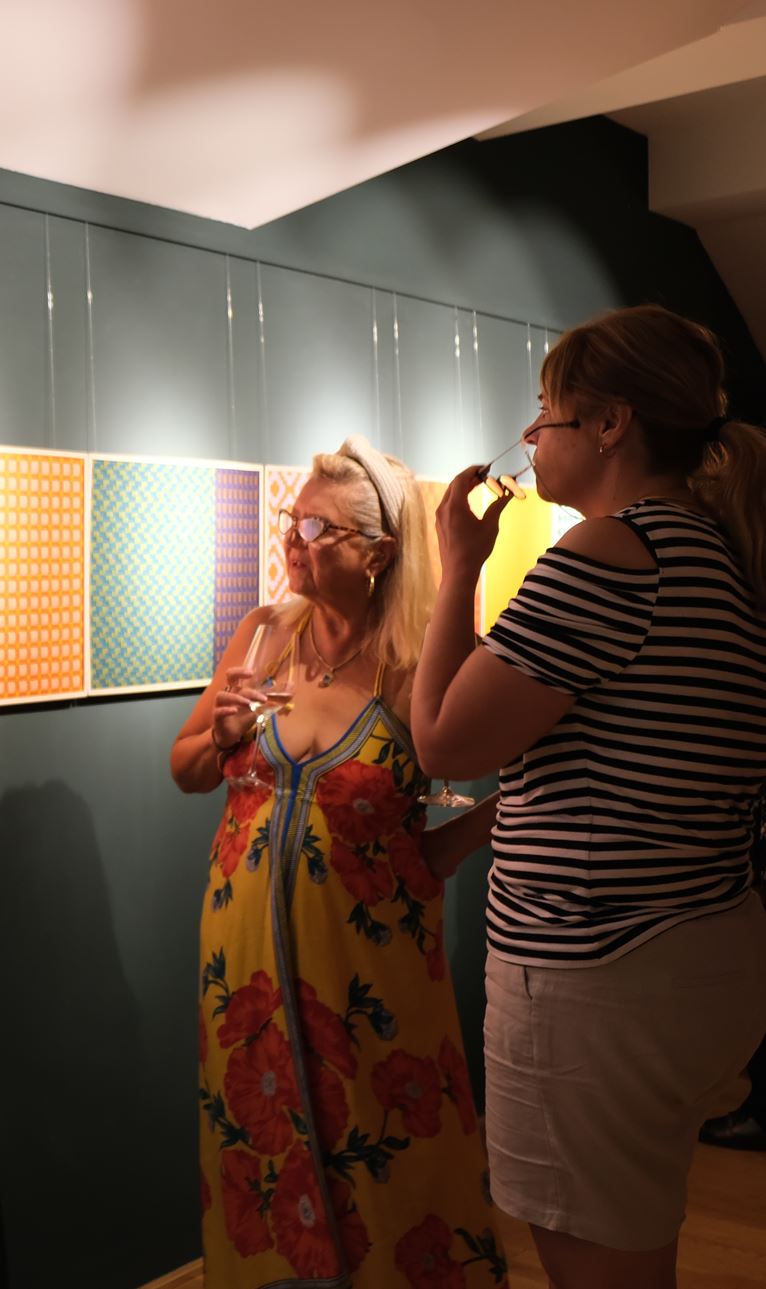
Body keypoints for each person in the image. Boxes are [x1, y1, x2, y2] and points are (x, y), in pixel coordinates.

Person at [412, 304, 766, 1289]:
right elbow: (613, 766)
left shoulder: (608, 554)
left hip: (596, 977)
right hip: (692, 949)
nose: (529, 432)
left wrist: (457, 569)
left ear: (610, 423)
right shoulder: (711, 550)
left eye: (545, 407)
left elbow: (441, 736)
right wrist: (473, 836)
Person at [172, 439, 510, 1288]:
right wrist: (221, 737)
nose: (295, 538)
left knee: (388, 1155)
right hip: (244, 957)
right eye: (293, 519)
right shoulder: (264, 635)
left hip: (371, 968)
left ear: (379, 553)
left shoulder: (417, 663)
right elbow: (185, 768)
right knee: (263, 1148)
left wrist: (457, 844)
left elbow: (502, 785)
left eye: (319, 527)